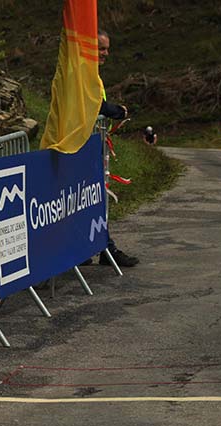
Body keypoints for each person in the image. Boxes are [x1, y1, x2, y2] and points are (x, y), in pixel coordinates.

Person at [96, 29, 139, 268]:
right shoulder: (83, 72)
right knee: (90, 198)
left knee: (90, 199)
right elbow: (94, 105)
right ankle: (105, 248)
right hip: (81, 147)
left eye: (107, 49)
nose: (106, 53)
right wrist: (116, 111)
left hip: (91, 144)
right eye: (101, 48)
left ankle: (99, 247)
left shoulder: (92, 73)